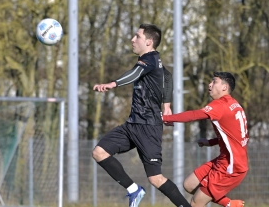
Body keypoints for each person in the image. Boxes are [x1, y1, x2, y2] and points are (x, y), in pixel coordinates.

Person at [92, 24, 191, 207]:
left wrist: (112, 84)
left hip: (148, 127)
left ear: (148, 41)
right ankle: (133, 190)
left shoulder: (150, 59)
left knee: (156, 178)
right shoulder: (155, 61)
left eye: (136, 36)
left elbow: (135, 73)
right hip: (132, 125)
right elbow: (167, 77)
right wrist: (167, 106)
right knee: (99, 152)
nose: (132, 39)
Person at [162, 72, 249, 207]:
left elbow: (194, 115)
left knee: (196, 203)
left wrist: (165, 118)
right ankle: (229, 204)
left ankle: (228, 204)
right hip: (226, 159)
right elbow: (235, 136)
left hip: (231, 166)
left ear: (224, 87)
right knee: (189, 185)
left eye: (214, 82)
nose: (210, 84)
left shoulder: (220, 105)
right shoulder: (234, 104)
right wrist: (211, 142)